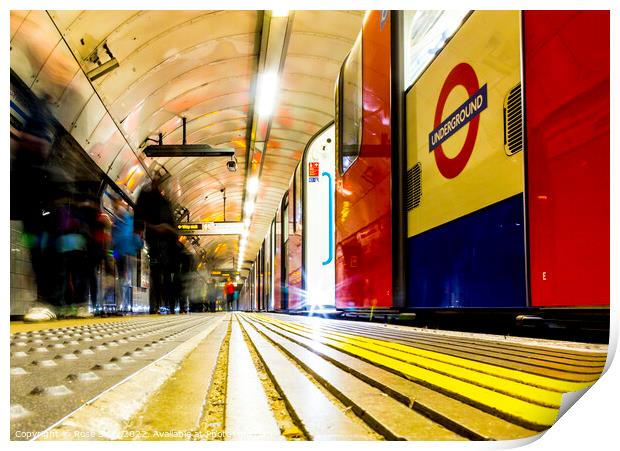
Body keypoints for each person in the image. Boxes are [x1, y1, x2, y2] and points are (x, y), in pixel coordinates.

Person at [133, 175, 177, 314]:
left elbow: (173, 227)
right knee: (158, 274)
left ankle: (164, 306)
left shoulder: (163, 202)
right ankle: (157, 306)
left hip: (164, 243)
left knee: (161, 274)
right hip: (157, 241)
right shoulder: (150, 198)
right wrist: (151, 227)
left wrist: (165, 228)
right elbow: (139, 217)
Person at [111, 197, 142, 313]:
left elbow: (135, 236)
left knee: (126, 279)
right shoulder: (117, 221)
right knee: (122, 279)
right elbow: (114, 239)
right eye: (117, 205)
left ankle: (126, 304)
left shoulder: (129, 220)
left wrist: (139, 244)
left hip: (128, 253)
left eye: (120, 204)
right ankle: (122, 305)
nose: (119, 207)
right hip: (121, 253)